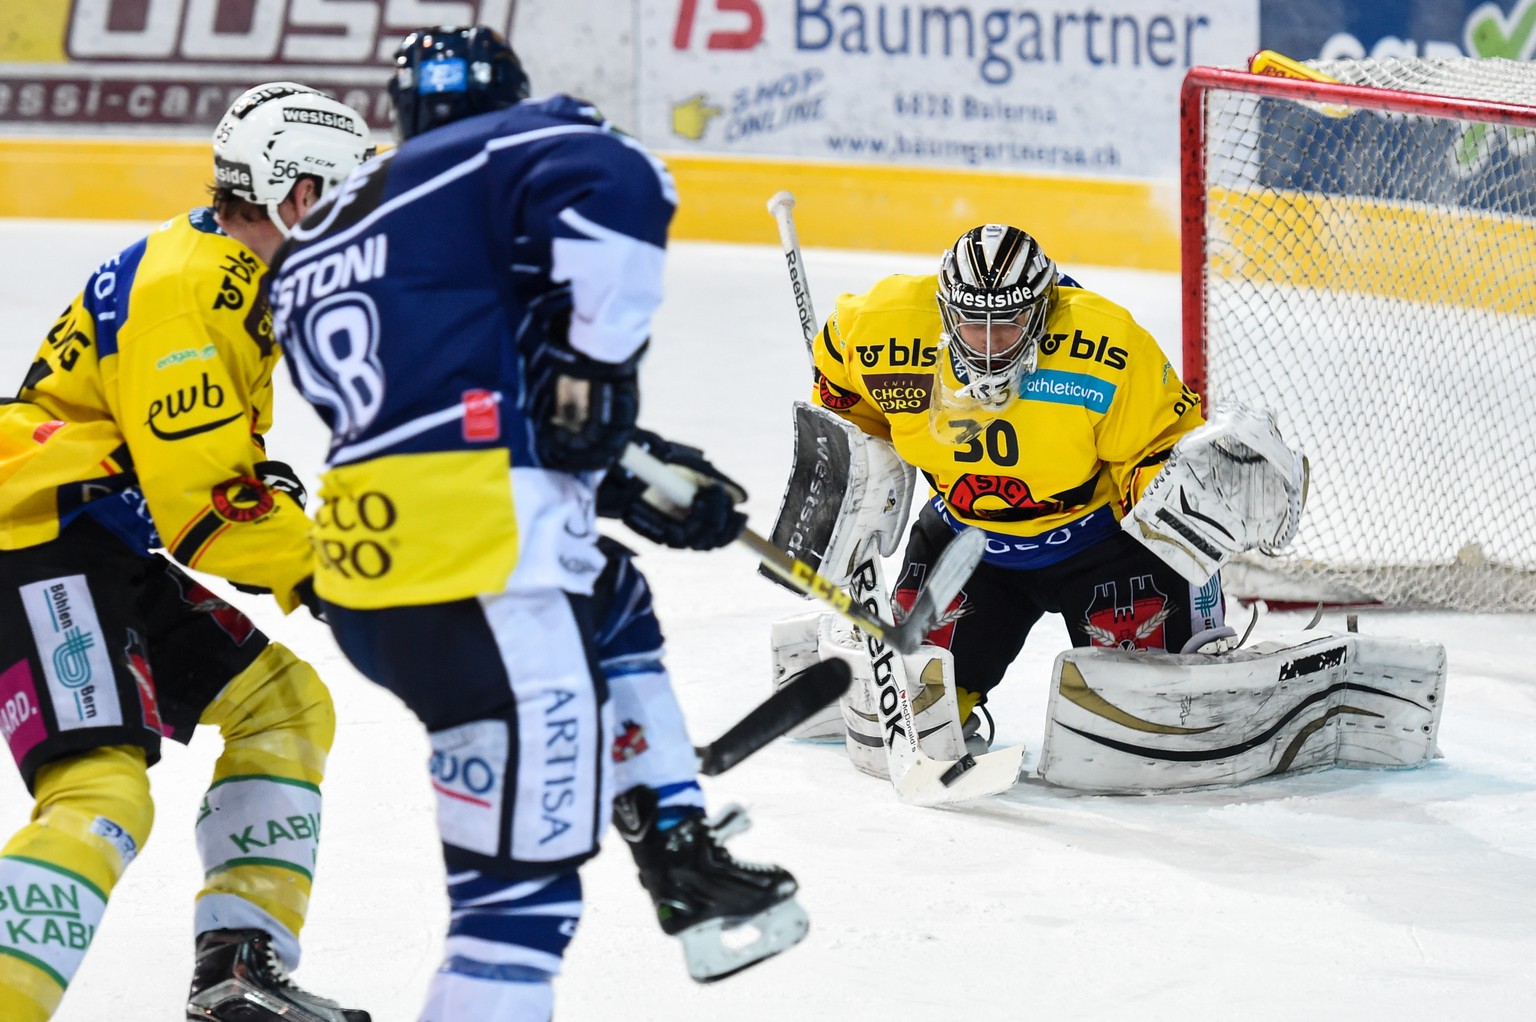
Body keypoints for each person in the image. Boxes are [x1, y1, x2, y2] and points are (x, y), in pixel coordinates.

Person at [268, 26, 805, 1019]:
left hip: (374, 583)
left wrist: (608, 465)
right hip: (485, 578)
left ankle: (674, 835)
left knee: (610, 591)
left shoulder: (320, 233)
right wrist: (599, 372)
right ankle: (670, 852)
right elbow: (623, 179)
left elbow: (436, 409)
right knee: (515, 919)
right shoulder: (501, 147)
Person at [0, 84, 373, 1022]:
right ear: (293, 195)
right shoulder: (191, 288)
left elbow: (210, 471)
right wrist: (339, 573)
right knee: (102, 788)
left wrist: (278, 505)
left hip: (92, 533)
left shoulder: (227, 272)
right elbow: (207, 516)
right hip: (37, 532)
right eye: (345, 196)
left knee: (285, 705)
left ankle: (238, 972)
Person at [810, 223, 1241, 749]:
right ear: (946, 312)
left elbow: (1159, 446)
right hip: (963, 539)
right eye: (973, 325)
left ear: (1039, 314)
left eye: (1008, 325)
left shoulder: (1108, 344)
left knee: (1156, 721)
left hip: (1103, 546)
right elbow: (838, 376)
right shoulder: (882, 327)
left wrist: (1188, 510)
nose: (989, 345)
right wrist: (860, 454)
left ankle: (1194, 637)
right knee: (913, 711)